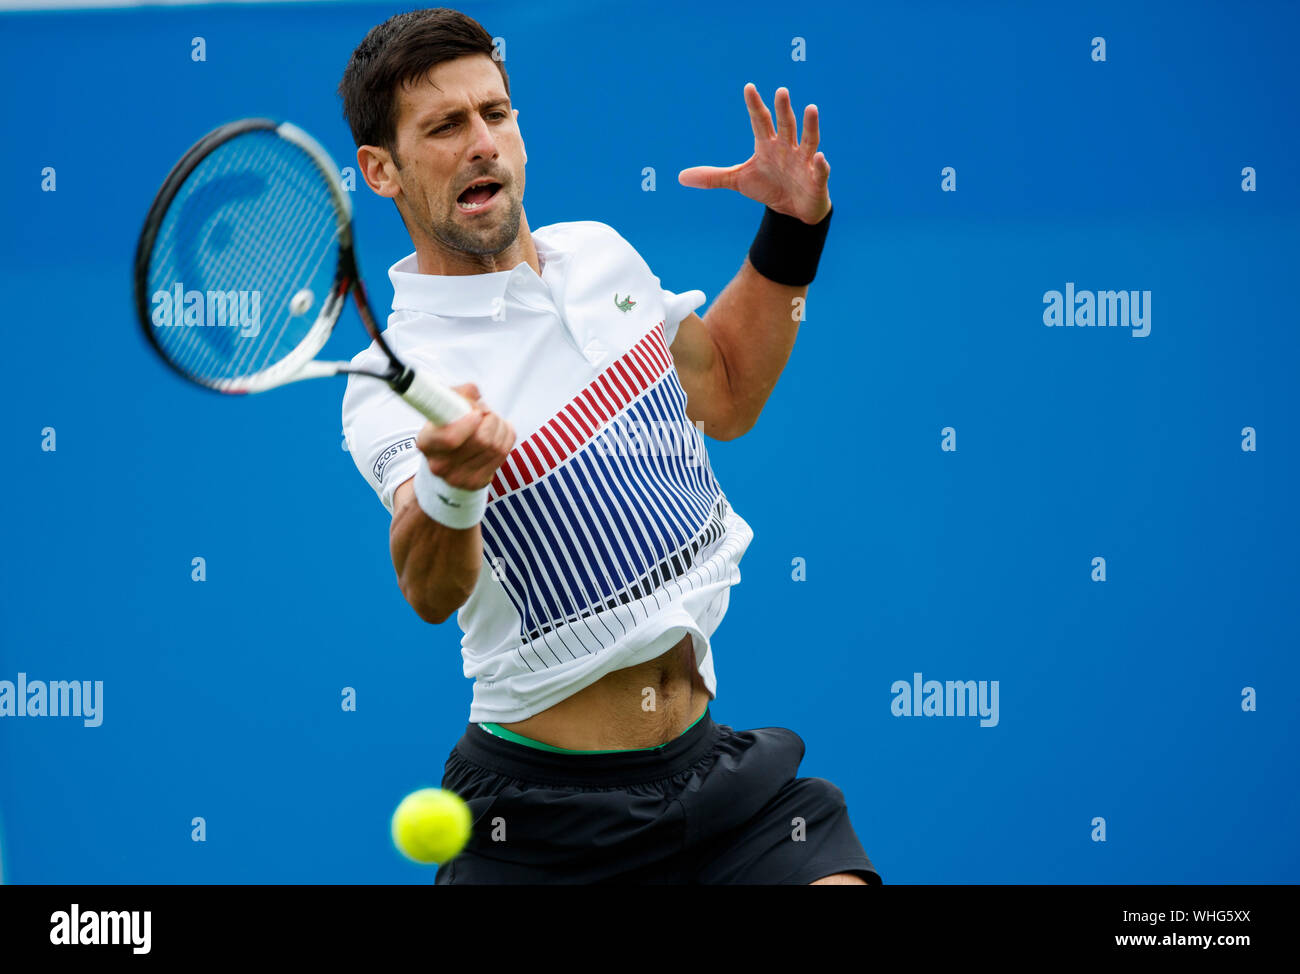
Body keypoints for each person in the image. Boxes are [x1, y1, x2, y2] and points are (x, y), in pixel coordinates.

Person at [339, 7, 880, 884]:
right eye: (444, 126)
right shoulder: (391, 379)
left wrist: (791, 230)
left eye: (495, 113)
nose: (482, 143)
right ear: (382, 170)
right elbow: (429, 590)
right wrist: (453, 486)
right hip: (541, 825)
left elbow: (727, 393)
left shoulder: (598, 257)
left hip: (716, 780)